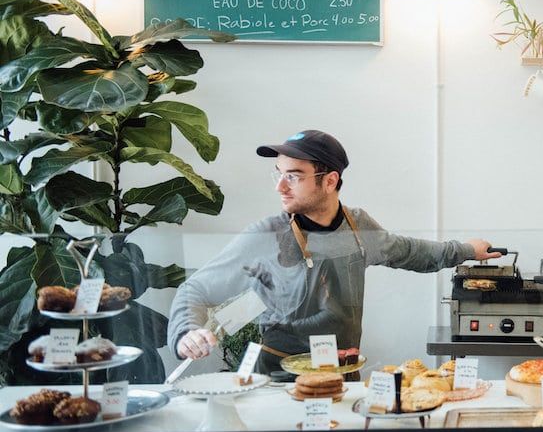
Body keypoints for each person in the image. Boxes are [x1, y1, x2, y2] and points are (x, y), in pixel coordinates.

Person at [167, 129, 499, 372]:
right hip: (278, 382)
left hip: (342, 374)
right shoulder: (266, 235)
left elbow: (409, 251)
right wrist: (186, 333)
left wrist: (466, 250)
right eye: (279, 174)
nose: (280, 186)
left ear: (329, 181)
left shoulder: (358, 226)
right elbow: (196, 290)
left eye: (293, 176)